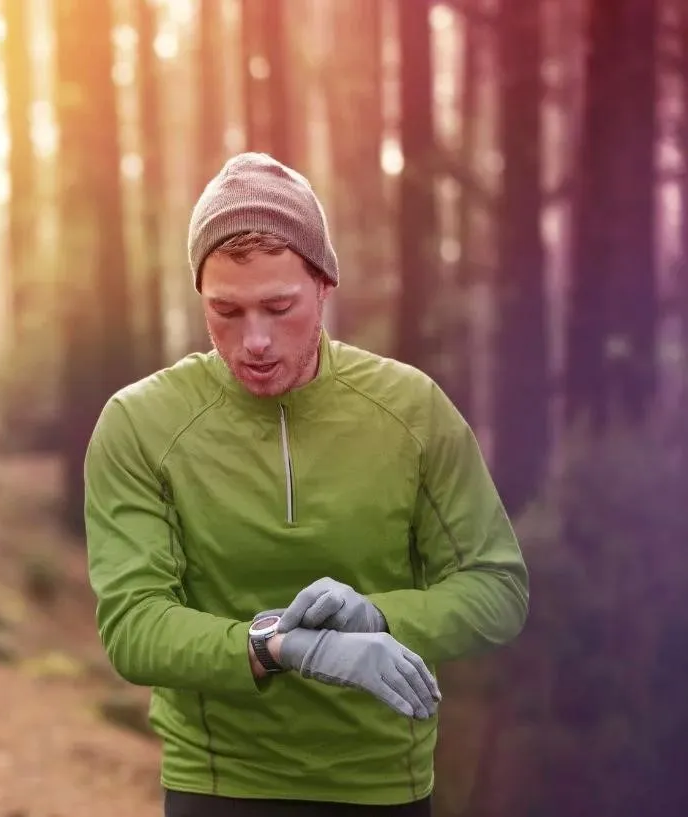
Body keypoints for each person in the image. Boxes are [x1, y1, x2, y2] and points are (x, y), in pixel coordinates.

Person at [83, 152, 529, 817]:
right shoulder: (140, 422)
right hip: (219, 785)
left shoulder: (412, 410)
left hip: (384, 787)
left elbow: (499, 591)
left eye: (279, 306)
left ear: (325, 285)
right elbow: (134, 625)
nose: (254, 340)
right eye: (226, 311)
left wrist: (380, 616)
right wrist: (282, 646)